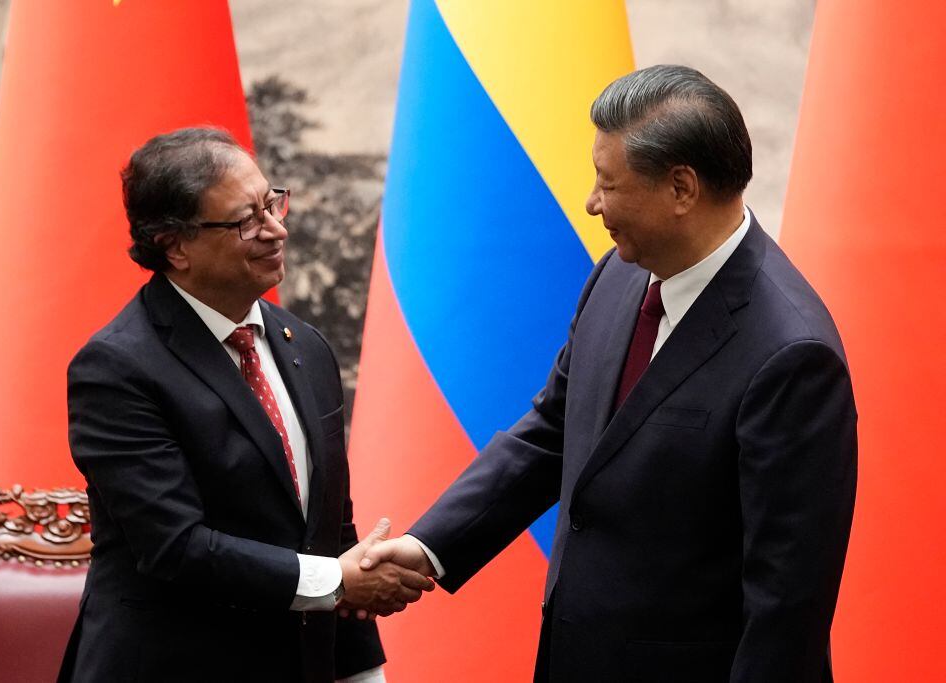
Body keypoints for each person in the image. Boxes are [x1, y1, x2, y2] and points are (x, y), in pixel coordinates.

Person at [361, 65, 857, 682]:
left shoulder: (791, 354)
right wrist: (428, 547)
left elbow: (786, 602)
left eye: (607, 184)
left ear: (681, 188)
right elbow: (554, 431)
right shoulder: (618, 275)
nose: (592, 204)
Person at [57, 127, 432, 683]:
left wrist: (361, 670)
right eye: (245, 221)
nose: (276, 229)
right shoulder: (116, 368)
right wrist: (333, 582)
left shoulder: (303, 345)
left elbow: (330, 530)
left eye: (272, 203)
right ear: (174, 245)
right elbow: (175, 547)